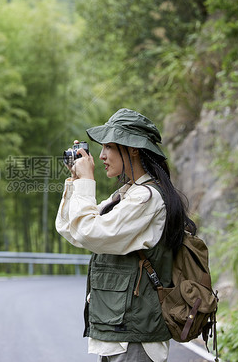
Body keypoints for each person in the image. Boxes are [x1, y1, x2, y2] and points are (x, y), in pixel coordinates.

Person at [55, 108, 196, 362]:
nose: (101, 156)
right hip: (119, 333)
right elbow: (72, 229)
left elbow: (90, 232)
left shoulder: (147, 198)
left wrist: (88, 181)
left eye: (109, 146)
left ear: (132, 148)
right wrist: (76, 181)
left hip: (135, 338)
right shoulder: (127, 193)